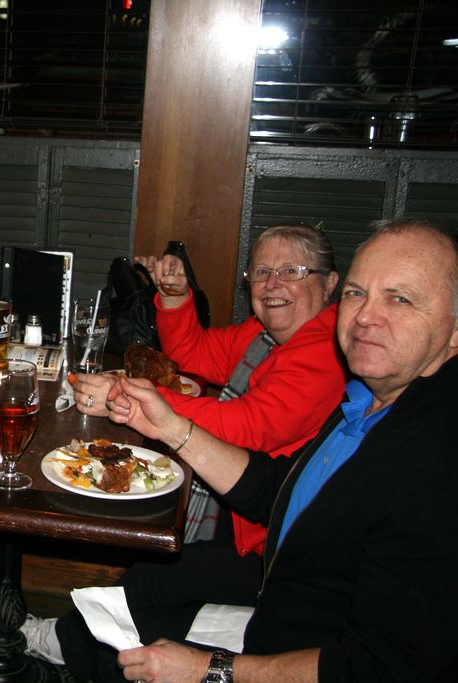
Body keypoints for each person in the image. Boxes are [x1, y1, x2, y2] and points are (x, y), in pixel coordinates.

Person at [108, 219, 458, 682]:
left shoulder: (435, 462)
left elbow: (381, 665)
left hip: (275, 627)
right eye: (358, 294)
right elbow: (281, 490)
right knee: (132, 610)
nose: (366, 316)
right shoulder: (366, 401)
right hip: (271, 606)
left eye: (401, 299)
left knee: (140, 595)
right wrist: (169, 426)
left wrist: (208, 670)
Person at [26, 225, 347, 680]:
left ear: (330, 284)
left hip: (276, 546)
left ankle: (63, 641)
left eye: (291, 271)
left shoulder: (326, 353)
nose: (272, 284)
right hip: (246, 515)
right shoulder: (263, 337)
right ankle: (74, 640)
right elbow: (193, 354)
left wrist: (133, 398)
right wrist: (175, 298)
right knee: (151, 575)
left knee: (149, 578)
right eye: (261, 272)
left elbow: (247, 427)